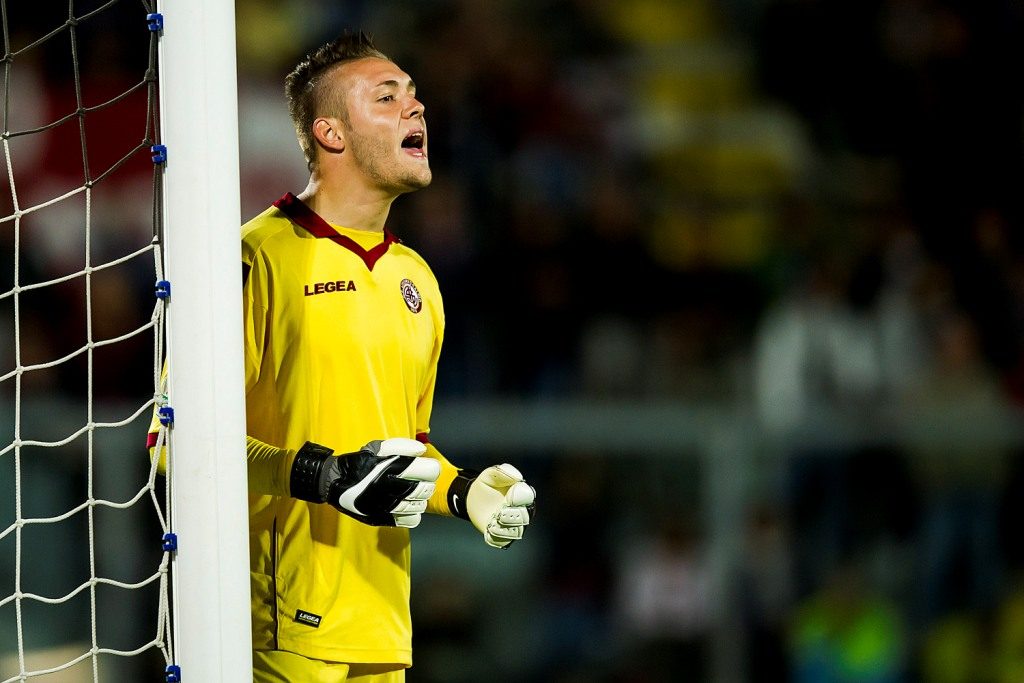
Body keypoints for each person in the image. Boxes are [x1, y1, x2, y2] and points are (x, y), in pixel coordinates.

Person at [149, 31, 536, 683]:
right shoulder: (253, 258)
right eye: (386, 97)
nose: (416, 107)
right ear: (330, 133)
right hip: (282, 624)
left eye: (414, 95)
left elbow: (402, 449)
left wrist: (461, 490)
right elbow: (170, 443)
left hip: (383, 627)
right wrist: (319, 475)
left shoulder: (418, 280)